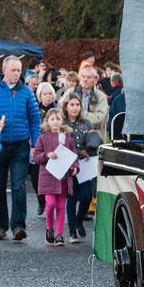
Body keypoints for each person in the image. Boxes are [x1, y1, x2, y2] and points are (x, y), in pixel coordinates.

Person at [0, 56, 43, 241]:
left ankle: (18, 226)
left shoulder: (27, 92)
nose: (16, 74)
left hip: (21, 146)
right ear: (4, 70)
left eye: (19, 70)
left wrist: (34, 144)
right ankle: (1, 226)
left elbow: (35, 120)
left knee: (19, 187)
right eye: (13, 70)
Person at [32, 107, 78, 246]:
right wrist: (47, 155)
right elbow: (36, 157)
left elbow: (73, 155)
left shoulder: (68, 138)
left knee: (61, 206)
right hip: (48, 177)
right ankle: (49, 229)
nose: (56, 122)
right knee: (51, 204)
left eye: (58, 119)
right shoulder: (43, 138)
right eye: (52, 119)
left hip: (64, 178)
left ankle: (59, 235)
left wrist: (75, 166)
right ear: (47, 121)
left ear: (62, 120)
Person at [62, 95, 99, 242]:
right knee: (71, 198)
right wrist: (78, 153)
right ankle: (72, 231)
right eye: (72, 105)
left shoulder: (86, 123)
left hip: (85, 165)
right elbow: (61, 146)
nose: (75, 107)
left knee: (85, 196)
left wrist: (90, 150)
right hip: (69, 165)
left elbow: (93, 140)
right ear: (66, 107)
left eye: (77, 104)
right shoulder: (62, 124)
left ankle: (78, 221)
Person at [58, 66, 109, 139]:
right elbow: (60, 108)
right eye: (83, 77)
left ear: (95, 80)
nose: (85, 80)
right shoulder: (71, 92)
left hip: (94, 138)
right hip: (71, 136)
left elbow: (100, 119)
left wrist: (77, 115)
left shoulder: (101, 96)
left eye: (89, 77)